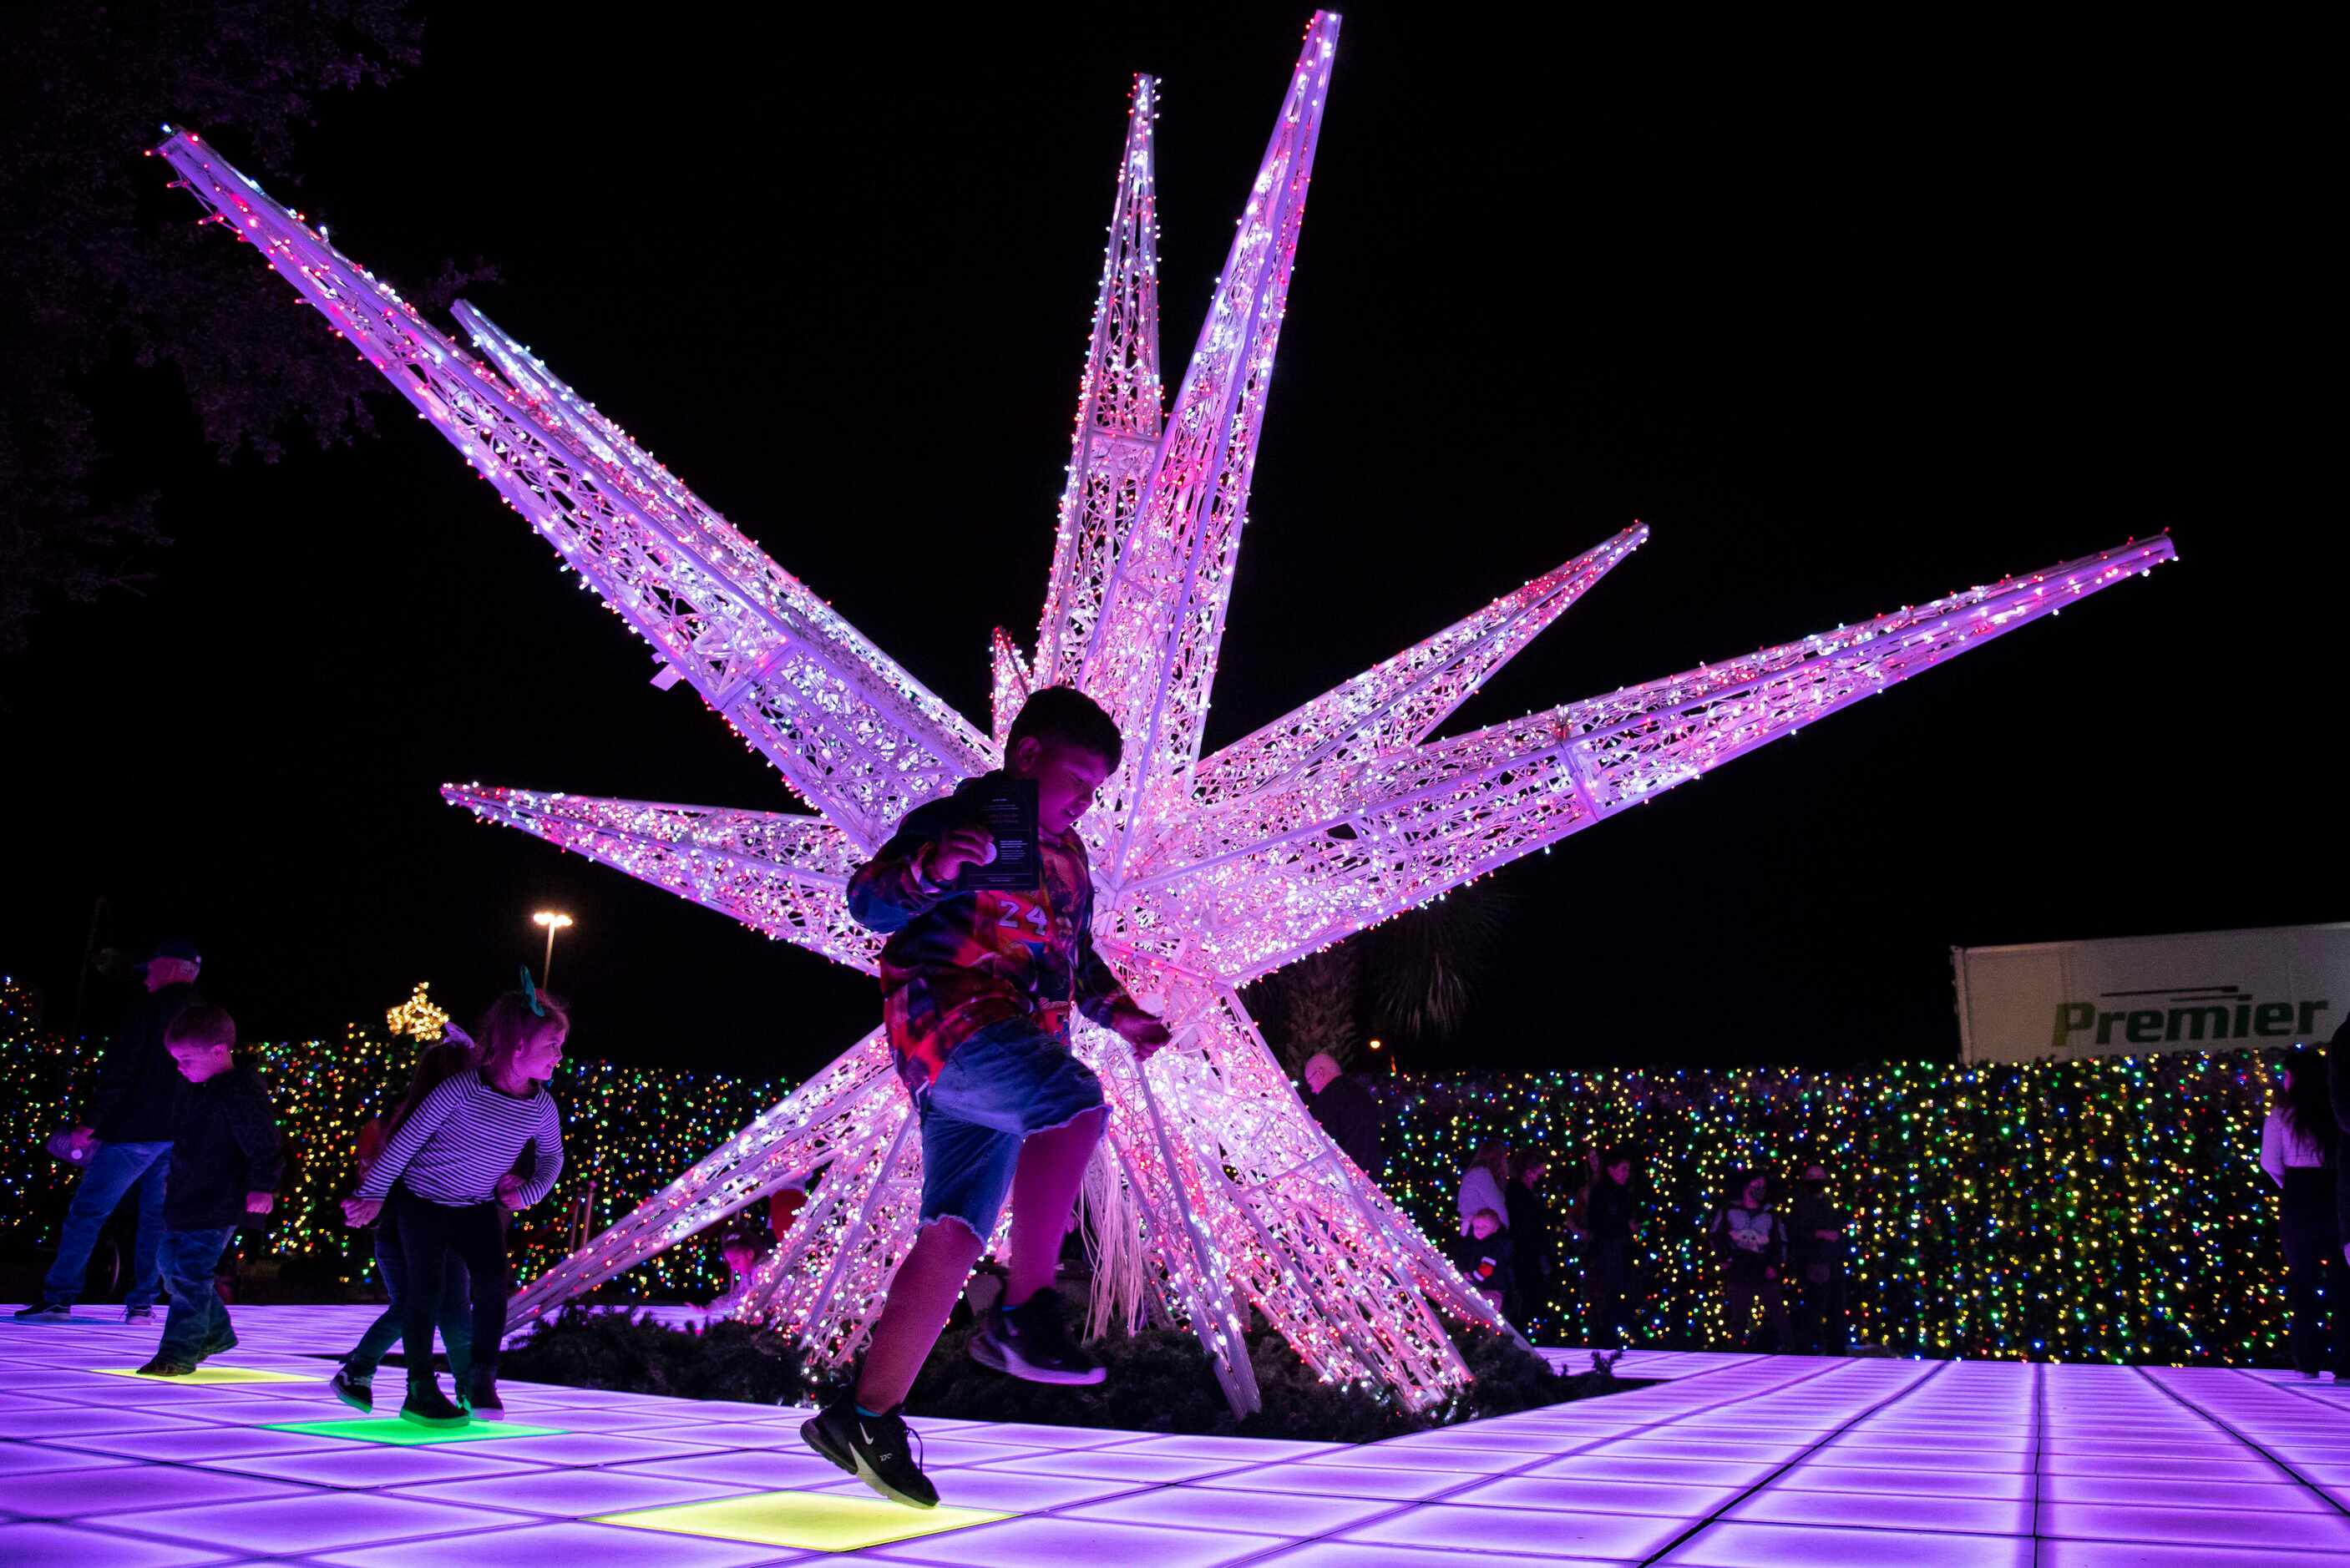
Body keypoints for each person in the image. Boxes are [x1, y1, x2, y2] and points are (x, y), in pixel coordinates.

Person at [802, 686, 1171, 1510]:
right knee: (1074, 1104)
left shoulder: (1071, 860)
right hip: (950, 1019)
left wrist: (1125, 1016)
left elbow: (1078, 966)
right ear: (1028, 756)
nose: (1084, 800)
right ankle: (1026, 1307)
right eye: (1076, 778)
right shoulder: (959, 820)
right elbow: (868, 902)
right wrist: (932, 869)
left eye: (1096, 789)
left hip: (1011, 1053)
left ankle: (863, 1418)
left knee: (954, 1235)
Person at [342, 977, 567, 1428]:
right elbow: (404, 1144)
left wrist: (526, 1194)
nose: (560, 1055)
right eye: (553, 1045)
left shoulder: (541, 1106)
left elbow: (552, 1159)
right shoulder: (461, 1089)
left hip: (475, 1206)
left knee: (491, 1281)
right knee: (423, 1294)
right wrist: (372, 1194)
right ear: (518, 1047)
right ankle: (419, 1388)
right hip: (423, 1203)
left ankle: (481, 1377)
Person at [18, 938, 204, 1323]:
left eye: (150, 969)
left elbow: (122, 1071)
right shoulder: (204, 1014)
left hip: (132, 1132)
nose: (145, 978)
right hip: (178, 1135)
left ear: (169, 968)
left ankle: (59, 1298)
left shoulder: (147, 1010)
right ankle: (141, 1304)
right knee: (156, 1218)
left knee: (88, 1212)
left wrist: (90, 1123)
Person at [329, 1033, 479, 1413]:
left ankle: (467, 1387)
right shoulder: (417, 1121)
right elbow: (389, 1172)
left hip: (441, 1232)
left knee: (447, 1310)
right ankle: (366, 1372)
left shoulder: (462, 1123)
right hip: (406, 1232)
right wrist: (370, 1201)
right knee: (420, 1306)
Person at [134, 1005, 281, 1376]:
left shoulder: (240, 1093)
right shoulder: (193, 1088)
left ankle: (177, 1354)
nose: (180, 1067)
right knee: (171, 1269)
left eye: (186, 1059)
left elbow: (264, 1144)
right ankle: (215, 1333)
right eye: (177, 1060)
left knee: (188, 1274)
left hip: (219, 1200)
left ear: (218, 1051)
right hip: (186, 1196)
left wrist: (262, 1187)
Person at [2264, 1056, 2342, 1378]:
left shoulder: (2282, 1114)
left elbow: (2270, 1162)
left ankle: (2307, 1360)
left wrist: (2291, 1186)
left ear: (2294, 1078)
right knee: (2343, 1280)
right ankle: (2345, 1362)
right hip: (2335, 1195)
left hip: (2299, 1196)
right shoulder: (2336, 1113)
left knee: (2303, 1280)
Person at [1708, 1171, 1789, 1351]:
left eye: (1763, 1186)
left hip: (1763, 1269)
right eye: (1756, 1185)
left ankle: (1791, 1350)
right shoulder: (1729, 1210)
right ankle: (1734, 1355)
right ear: (1746, 1186)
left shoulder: (1770, 1214)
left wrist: (1774, 1265)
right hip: (1739, 1268)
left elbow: (1780, 1242)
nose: (1760, 1190)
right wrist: (1723, 1259)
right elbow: (1715, 1236)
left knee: (1778, 1313)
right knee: (1737, 1317)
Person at [1784, 1161, 1849, 1355]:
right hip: (1811, 1264)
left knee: (1836, 1310)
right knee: (1812, 1311)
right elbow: (1794, 1233)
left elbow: (1840, 1231)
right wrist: (1819, 1234)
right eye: (1811, 1177)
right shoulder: (1800, 1205)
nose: (1816, 1181)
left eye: (1819, 1177)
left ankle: (1835, 1351)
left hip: (1833, 1263)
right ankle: (1805, 1352)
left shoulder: (1830, 1203)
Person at [1585, 1147, 1638, 1345]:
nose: (1626, 1174)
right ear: (1611, 1170)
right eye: (1623, 1169)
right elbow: (1597, 1223)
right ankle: (1607, 1337)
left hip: (1618, 1250)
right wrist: (1625, 1226)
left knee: (1617, 1294)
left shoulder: (1621, 1193)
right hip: (1608, 1252)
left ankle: (1611, 1335)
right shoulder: (1603, 1193)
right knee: (1609, 1294)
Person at [1301, 1051, 1383, 1173]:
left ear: (1320, 1073)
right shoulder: (1361, 1093)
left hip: (1346, 1176)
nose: (1313, 1090)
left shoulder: (1327, 1100)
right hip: (1370, 1174)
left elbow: (1316, 1144)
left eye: (1310, 1083)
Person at [1503, 1152, 1554, 1332]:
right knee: (1526, 1296)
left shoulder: (1522, 1191)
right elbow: (1526, 1225)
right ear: (1528, 1170)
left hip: (1528, 1251)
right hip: (1524, 1252)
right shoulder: (1517, 1192)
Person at [1451, 1206, 1513, 1315]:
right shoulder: (1480, 1243)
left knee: (1487, 1313)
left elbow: (1487, 1268)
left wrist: (1473, 1277)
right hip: (1484, 1286)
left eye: (1484, 1227)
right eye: (1476, 1227)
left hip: (1493, 1289)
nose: (1479, 1230)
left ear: (1495, 1228)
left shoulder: (1493, 1246)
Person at [1457, 1144, 1511, 1237]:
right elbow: (1496, 1204)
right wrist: (1506, 1229)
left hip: (1476, 1227)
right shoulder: (1481, 1174)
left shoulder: (1477, 1173)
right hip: (1481, 1229)